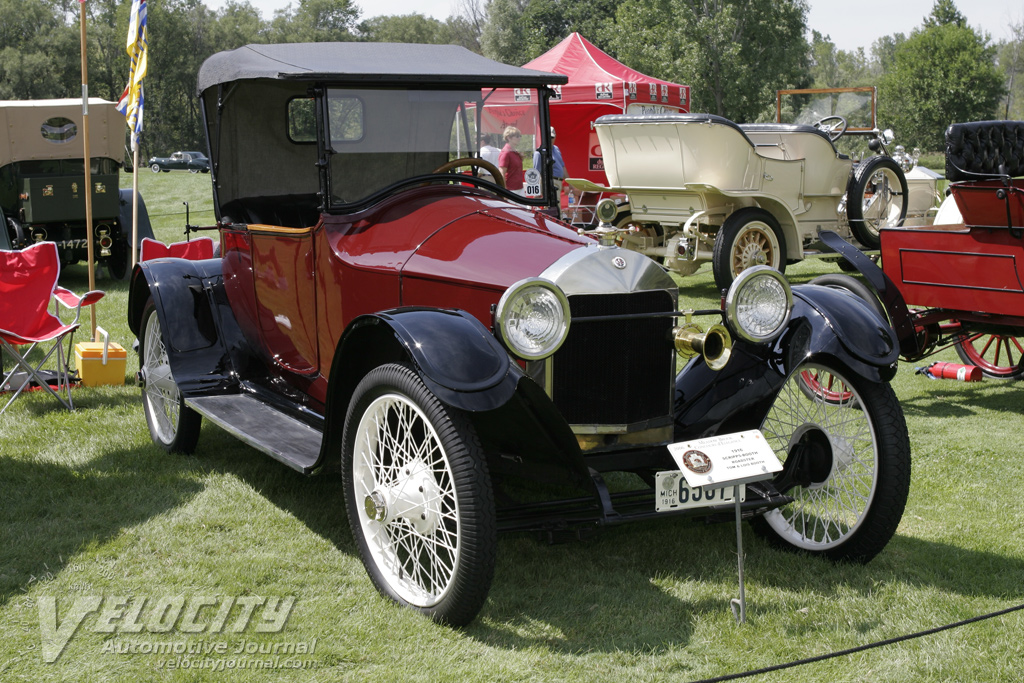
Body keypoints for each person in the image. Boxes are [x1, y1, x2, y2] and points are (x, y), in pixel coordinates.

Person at [533, 127, 566, 204]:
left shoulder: (556, 149)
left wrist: (570, 183)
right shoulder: (539, 152)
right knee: (554, 206)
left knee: (557, 206)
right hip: (548, 182)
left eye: (552, 137)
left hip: (559, 182)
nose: (550, 139)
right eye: (548, 137)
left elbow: (562, 166)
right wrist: (537, 191)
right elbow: (536, 173)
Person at [498, 126, 524, 193]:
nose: (519, 138)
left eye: (520, 136)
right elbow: (501, 172)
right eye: (517, 136)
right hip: (511, 190)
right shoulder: (506, 152)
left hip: (519, 188)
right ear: (509, 138)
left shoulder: (514, 151)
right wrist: (504, 191)